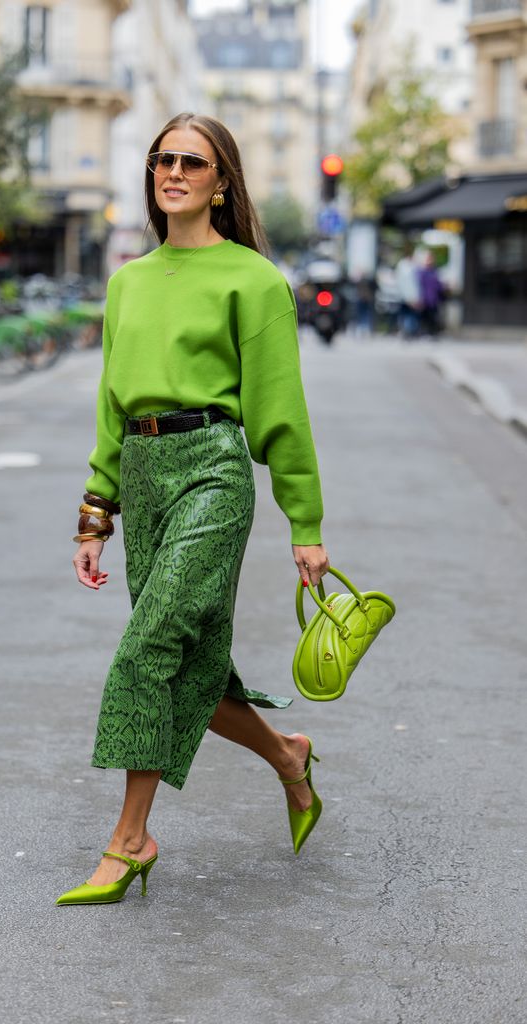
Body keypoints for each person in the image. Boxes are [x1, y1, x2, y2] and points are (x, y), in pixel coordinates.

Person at [57, 113, 330, 906]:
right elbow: (111, 410)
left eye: (192, 161)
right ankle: (289, 757)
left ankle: (130, 838)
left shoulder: (254, 280)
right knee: (191, 667)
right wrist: (94, 516)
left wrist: (305, 526)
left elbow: (282, 411)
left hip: (213, 469)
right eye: (163, 159)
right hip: (141, 477)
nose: (173, 171)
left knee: (149, 646)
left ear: (222, 182)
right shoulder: (127, 282)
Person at [395, 243, 421, 339]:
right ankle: (408, 332)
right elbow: (409, 284)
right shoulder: (408, 267)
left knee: (406, 315)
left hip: (405, 295)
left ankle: (406, 332)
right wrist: (412, 297)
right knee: (409, 315)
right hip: (408, 296)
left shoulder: (404, 265)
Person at [418, 250, 445, 338]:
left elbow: (438, 284)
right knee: (425, 317)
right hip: (425, 298)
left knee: (434, 317)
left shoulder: (434, 271)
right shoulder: (422, 271)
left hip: (434, 298)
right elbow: (419, 285)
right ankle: (425, 333)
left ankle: (432, 333)